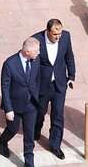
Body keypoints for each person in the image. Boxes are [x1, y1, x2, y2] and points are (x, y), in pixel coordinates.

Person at [31, 19, 76, 160]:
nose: (58, 37)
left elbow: (69, 56)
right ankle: (35, 131)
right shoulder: (36, 40)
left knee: (58, 115)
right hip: (42, 85)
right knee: (40, 111)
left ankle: (55, 145)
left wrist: (71, 75)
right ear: (48, 31)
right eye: (55, 34)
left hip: (59, 84)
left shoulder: (66, 37)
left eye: (60, 33)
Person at [0, 38, 41, 167]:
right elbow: (5, 87)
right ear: (27, 52)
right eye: (36, 51)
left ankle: (29, 163)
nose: (38, 53)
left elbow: (37, 79)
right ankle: (3, 141)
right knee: (12, 129)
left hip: (31, 105)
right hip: (15, 105)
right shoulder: (10, 64)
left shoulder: (36, 60)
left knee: (29, 135)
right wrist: (8, 109)